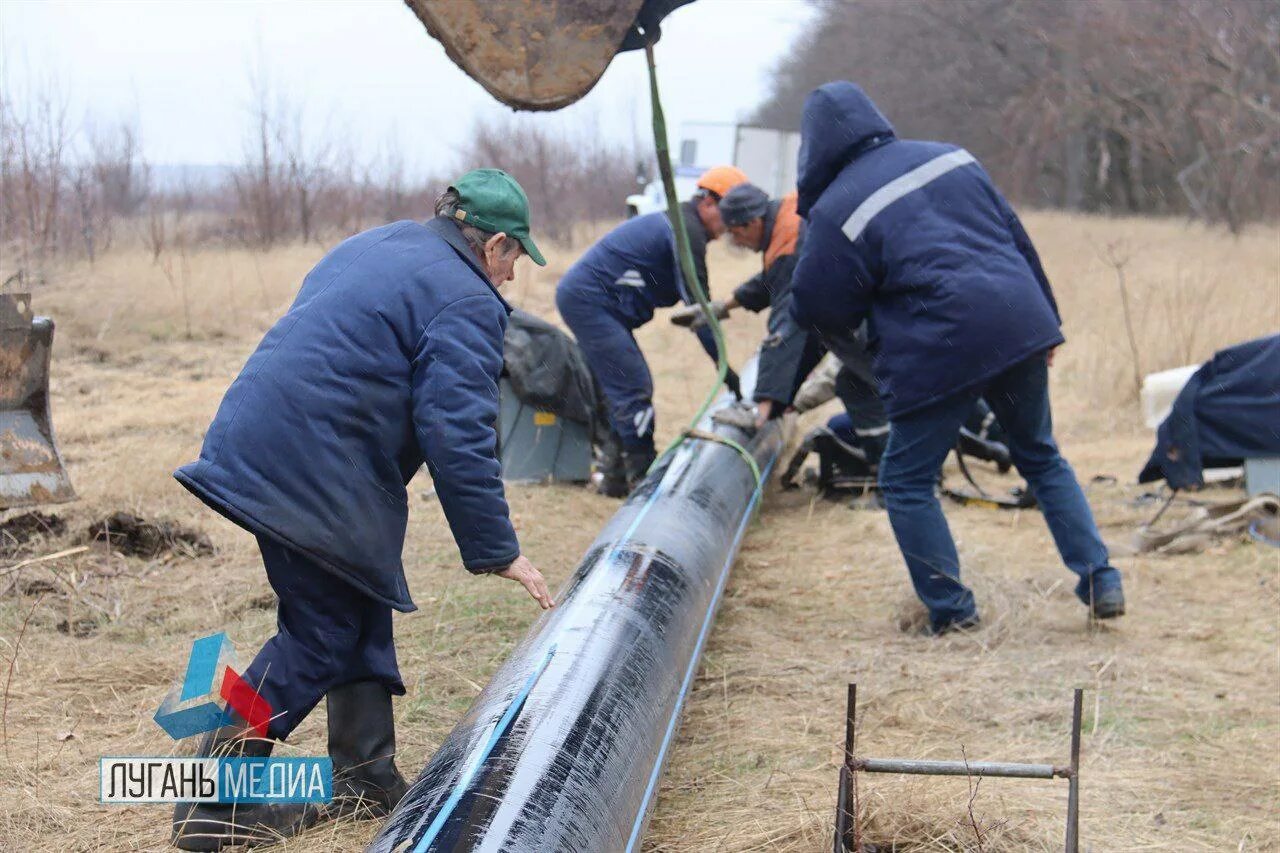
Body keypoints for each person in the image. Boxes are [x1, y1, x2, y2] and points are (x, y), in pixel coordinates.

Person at [170, 169, 555, 849]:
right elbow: (457, 433)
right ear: (493, 243)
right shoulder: (465, 298)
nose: (513, 277)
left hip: (266, 439)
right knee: (318, 635)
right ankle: (211, 801)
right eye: (514, 256)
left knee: (357, 597)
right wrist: (500, 550)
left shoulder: (379, 244)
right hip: (315, 462)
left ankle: (365, 773)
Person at [790, 81, 1125, 635]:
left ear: (815, 147)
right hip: (1019, 323)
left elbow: (813, 302)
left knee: (905, 479)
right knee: (1040, 455)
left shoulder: (838, 208)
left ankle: (952, 612)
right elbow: (1017, 240)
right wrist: (1049, 327)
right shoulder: (950, 157)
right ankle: (1101, 577)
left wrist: (864, 336)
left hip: (939, 346)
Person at [556, 165, 749, 496]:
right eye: (729, 215)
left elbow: (695, 307)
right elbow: (699, 310)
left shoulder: (682, 225)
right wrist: (725, 368)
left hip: (601, 306)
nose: (730, 226)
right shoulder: (685, 232)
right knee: (634, 385)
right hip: (589, 302)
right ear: (707, 203)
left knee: (622, 387)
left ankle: (614, 478)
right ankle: (643, 478)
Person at [670, 182, 824, 427]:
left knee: (861, 385)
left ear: (752, 222)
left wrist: (759, 408)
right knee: (856, 389)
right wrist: (719, 308)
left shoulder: (790, 240)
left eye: (737, 234)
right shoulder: (785, 218)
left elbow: (786, 324)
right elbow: (771, 281)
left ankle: (762, 413)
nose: (739, 243)